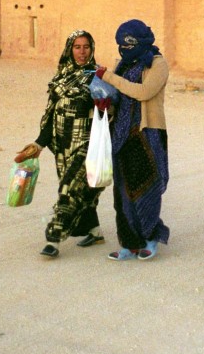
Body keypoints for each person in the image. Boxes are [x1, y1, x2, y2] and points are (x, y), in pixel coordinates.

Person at [14, 30, 106, 258]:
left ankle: (53, 240)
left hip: (86, 143)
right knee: (80, 190)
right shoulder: (60, 78)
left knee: (68, 190)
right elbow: (51, 115)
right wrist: (38, 144)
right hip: (63, 145)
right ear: (69, 49)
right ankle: (94, 231)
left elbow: (107, 111)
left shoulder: (98, 76)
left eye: (86, 47)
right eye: (77, 47)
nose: (82, 52)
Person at [94, 19, 170, 261]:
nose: (125, 48)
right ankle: (128, 243)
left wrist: (110, 78)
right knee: (122, 192)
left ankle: (150, 239)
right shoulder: (123, 65)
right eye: (122, 43)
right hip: (121, 135)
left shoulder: (157, 64)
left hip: (146, 134)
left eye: (130, 43)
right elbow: (119, 96)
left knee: (146, 188)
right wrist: (105, 100)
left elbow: (144, 92)